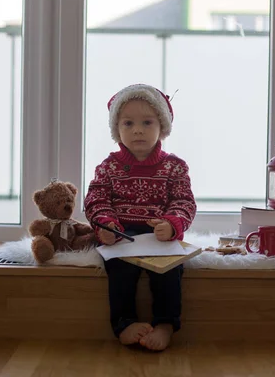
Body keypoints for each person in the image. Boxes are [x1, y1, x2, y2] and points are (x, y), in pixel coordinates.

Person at [84, 83, 197, 351]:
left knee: (169, 269)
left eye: (147, 122)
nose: (137, 130)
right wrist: (106, 226)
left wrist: (171, 225)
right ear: (117, 130)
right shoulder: (108, 167)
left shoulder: (174, 167)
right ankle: (124, 324)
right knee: (120, 269)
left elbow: (184, 201)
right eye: (128, 123)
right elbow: (96, 200)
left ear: (162, 127)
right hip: (121, 232)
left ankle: (166, 323)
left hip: (159, 232)